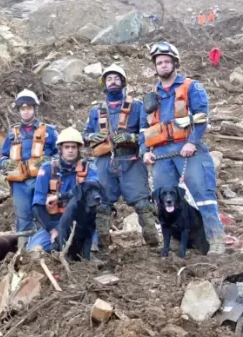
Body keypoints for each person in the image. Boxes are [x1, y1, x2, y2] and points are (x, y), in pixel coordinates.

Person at [141, 42, 225, 255]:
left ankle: (216, 240)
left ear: (175, 63)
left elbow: (202, 117)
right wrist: (145, 151)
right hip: (161, 155)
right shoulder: (152, 95)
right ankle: (175, 242)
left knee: (204, 196)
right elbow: (145, 127)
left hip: (189, 150)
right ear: (155, 67)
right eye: (159, 62)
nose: (163, 65)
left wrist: (192, 142)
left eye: (167, 61)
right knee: (164, 201)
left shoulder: (191, 87)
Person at [83, 64, 159, 248]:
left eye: (117, 78)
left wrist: (131, 137)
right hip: (104, 162)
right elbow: (84, 135)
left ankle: (154, 244)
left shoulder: (137, 106)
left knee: (142, 204)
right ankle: (102, 246)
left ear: (123, 82)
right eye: (109, 79)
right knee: (101, 205)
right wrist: (92, 136)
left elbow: (148, 133)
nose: (113, 82)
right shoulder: (96, 112)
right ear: (104, 84)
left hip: (131, 161)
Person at [0, 89, 58, 250]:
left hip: (41, 181)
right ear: (18, 110)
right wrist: (5, 164)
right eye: (22, 109)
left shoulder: (49, 131)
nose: (26, 112)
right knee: (23, 217)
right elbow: (4, 156)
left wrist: (50, 160)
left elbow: (62, 154)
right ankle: (23, 253)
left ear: (35, 109)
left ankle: (46, 249)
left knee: (44, 213)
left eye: (29, 108)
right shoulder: (12, 134)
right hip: (19, 184)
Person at [27, 127, 99, 252]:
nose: (70, 151)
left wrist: (61, 196)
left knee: (86, 253)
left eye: (73, 147)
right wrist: (52, 230)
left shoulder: (89, 168)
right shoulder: (47, 168)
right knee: (34, 251)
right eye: (66, 147)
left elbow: (92, 186)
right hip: (55, 222)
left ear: (78, 149)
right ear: (60, 149)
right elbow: (37, 205)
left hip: (80, 223)